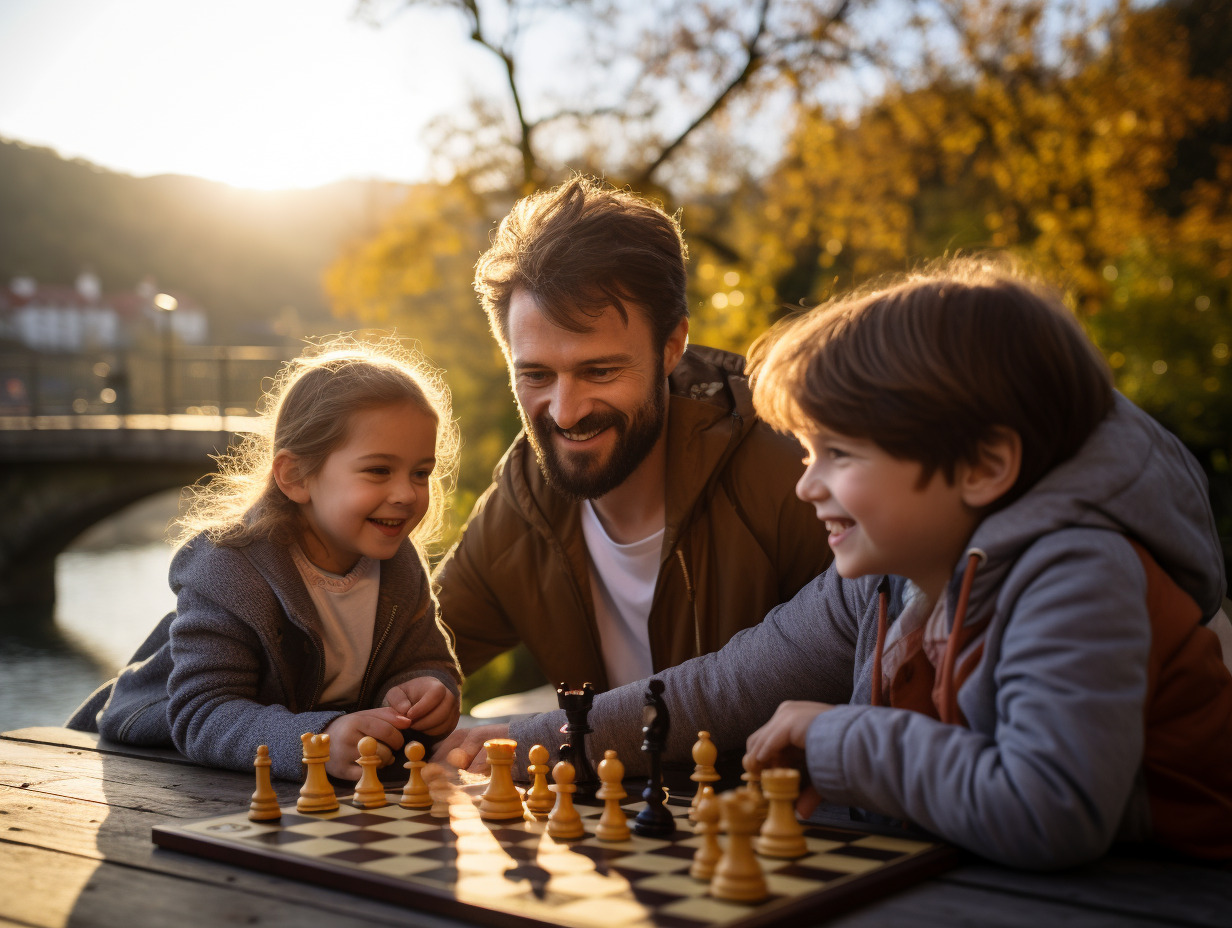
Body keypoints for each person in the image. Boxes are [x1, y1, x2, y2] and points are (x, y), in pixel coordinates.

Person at [441, 256, 1232, 867]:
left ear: (985, 465)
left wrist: (838, 739)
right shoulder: (885, 578)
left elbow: (1052, 811)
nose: (807, 482)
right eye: (810, 450)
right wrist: (538, 736)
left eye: (840, 453)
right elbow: (724, 687)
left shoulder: (1077, 575)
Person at [435, 175, 830, 701]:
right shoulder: (523, 497)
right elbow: (407, 657)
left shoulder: (793, 472)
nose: (565, 412)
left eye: (599, 372)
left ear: (671, 347)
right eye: (535, 376)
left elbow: (869, 675)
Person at [68, 336, 464, 781]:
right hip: (153, 758)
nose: (407, 494)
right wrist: (319, 742)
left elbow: (425, 661)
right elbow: (204, 714)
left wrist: (427, 690)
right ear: (296, 477)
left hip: (289, 774)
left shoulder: (397, 565)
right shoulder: (230, 570)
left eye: (421, 473)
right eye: (378, 470)